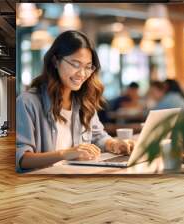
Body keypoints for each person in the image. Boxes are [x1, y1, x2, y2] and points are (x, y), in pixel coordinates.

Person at [16, 30, 133, 172]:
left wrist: (113, 143)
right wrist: (64, 154)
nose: (82, 74)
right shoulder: (28, 102)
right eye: (75, 64)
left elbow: (97, 137)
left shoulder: (84, 101)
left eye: (88, 67)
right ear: (55, 61)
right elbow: (21, 159)